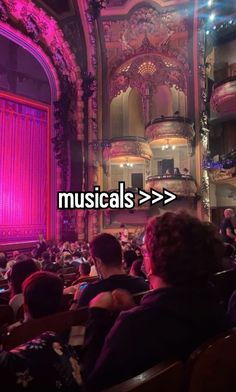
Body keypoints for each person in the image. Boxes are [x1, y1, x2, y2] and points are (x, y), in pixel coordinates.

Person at [81, 212, 229, 390]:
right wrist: (136, 309)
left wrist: (97, 316)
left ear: (154, 261)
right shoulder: (216, 305)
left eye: (145, 251)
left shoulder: (133, 326)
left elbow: (92, 384)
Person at [75, 233, 149, 307]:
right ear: (121, 257)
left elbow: (75, 318)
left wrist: (75, 301)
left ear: (98, 262)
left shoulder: (91, 292)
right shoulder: (142, 284)